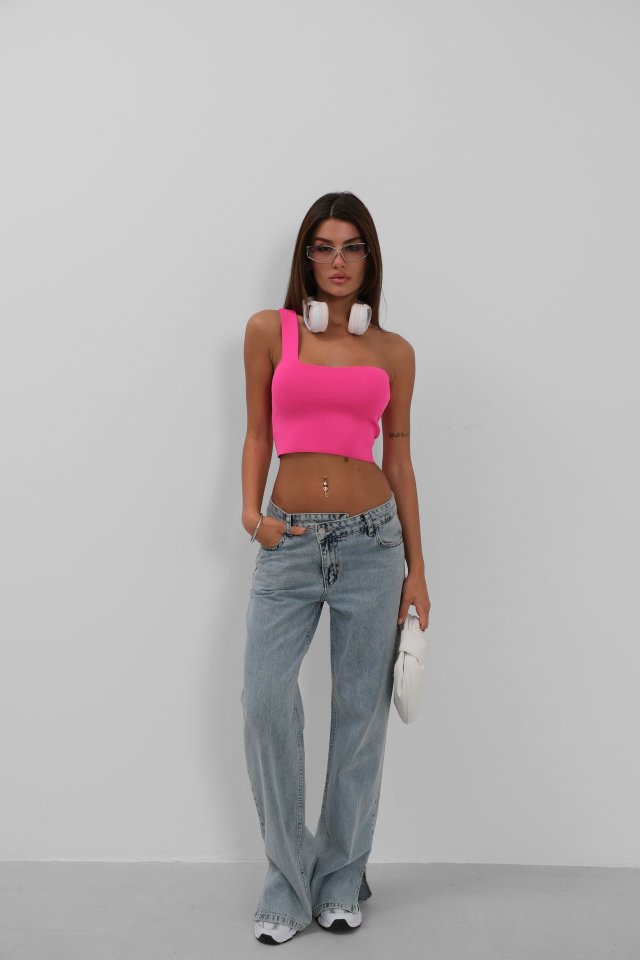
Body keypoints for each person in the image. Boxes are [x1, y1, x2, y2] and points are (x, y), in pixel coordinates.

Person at [240, 191, 431, 945]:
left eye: (352, 247)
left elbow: (400, 459)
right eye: (323, 247)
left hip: (372, 545)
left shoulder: (394, 352)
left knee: (359, 718)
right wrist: (251, 515)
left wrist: (418, 569)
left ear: (369, 258)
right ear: (306, 257)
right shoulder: (270, 331)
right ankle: (289, 879)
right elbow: (258, 434)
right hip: (286, 542)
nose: (338, 261)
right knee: (264, 701)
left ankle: (342, 877)